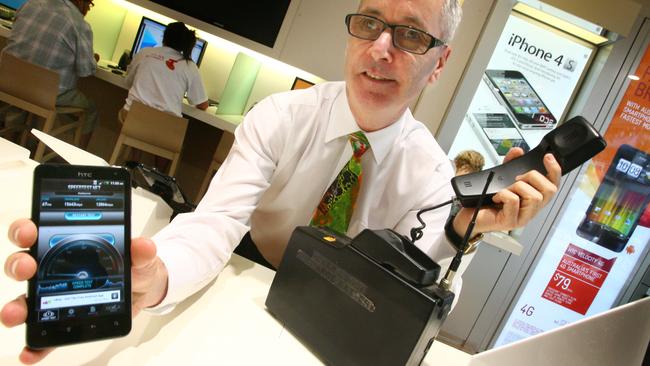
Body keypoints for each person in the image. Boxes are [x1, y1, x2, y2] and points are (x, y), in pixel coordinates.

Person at [1, 0, 562, 363]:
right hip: (241, 276)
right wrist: (161, 277)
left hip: (330, 321)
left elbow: (415, 303)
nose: (381, 48)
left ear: (439, 64)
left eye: (411, 36)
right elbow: (216, 222)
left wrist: (461, 231)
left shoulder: (434, 176)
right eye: (369, 24)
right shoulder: (280, 116)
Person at [1, 0, 100, 149]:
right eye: (89, 4)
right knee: (91, 109)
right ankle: (77, 165)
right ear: (80, 1)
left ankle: (15, 138)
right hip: (46, 93)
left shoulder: (30, 4)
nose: (88, 9)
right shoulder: (79, 24)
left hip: (8, 81)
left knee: (25, 94)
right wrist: (94, 58)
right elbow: (86, 70)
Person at [119, 21, 208, 123]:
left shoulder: (145, 52)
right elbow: (203, 104)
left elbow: (128, 82)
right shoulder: (190, 66)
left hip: (132, 118)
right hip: (165, 128)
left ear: (164, 37)